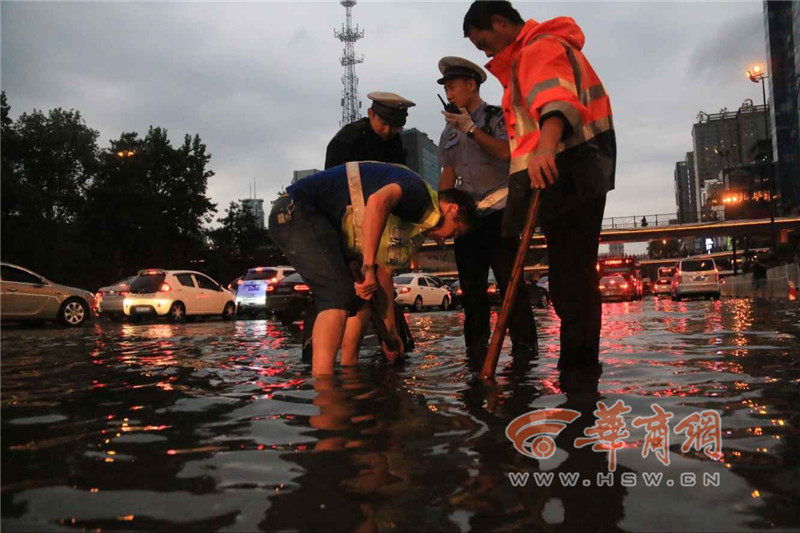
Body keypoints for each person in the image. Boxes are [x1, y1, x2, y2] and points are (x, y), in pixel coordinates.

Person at [462, 1, 617, 370]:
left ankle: (578, 375)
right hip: (572, 172)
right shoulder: (538, 50)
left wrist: (546, 149)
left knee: (571, 282)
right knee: (570, 278)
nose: (485, 52)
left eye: (483, 41)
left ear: (499, 22)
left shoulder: (538, 48)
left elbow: (555, 100)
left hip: (568, 170)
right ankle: (578, 371)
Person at [268, 162, 479, 376]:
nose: (444, 239)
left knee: (361, 299)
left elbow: (384, 275)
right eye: (454, 233)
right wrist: (367, 266)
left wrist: (390, 331)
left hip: (319, 223)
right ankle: (326, 387)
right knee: (337, 295)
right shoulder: (419, 194)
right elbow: (377, 202)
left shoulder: (415, 227)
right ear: (453, 209)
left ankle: (349, 371)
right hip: (295, 211)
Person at [436, 55, 538, 362]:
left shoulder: (496, 117)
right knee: (472, 291)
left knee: (511, 286)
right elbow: (448, 174)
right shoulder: (448, 132)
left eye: (453, 87)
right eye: (446, 89)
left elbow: (508, 152)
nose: (450, 94)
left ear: (471, 84)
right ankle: (476, 353)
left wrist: (471, 131)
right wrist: (439, 215)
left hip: (500, 213)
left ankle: (525, 353)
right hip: (466, 219)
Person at [324, 92, 414, 169]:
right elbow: (331, 180)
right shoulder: (347, 139)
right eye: (383, 124)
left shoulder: (395, 141)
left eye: (395, 127)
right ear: (370, 114)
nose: (387, 130)